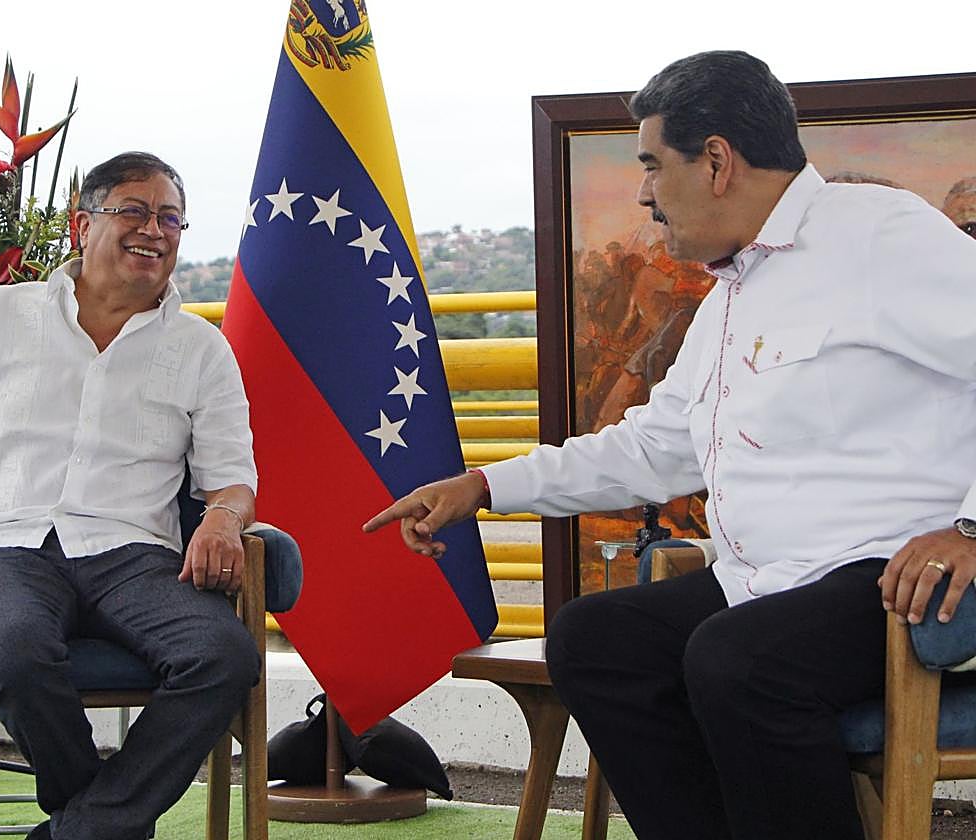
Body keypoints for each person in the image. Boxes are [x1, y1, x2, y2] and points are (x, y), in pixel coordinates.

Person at [364, 51, 976, 840]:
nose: (645, 192)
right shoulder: (731, 295)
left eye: (653, 164)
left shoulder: (879, 236)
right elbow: (655, 446)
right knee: (594, 639)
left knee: (738, 661)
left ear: (716, 160)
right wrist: (484, 486)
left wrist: (969, 529)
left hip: (892, 576)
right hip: (768, 584)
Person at [0, 152, 261, 840]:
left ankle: (77, 831)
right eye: (135, 211)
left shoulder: (202, 350)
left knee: (226, 655)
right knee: (12, 651)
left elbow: (232, 479)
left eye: (171, 218)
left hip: (136, 557)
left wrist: (221, 518)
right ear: (80, 225)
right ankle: (102, 825)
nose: (156, 230)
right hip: (5, 549)